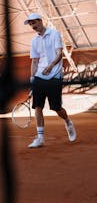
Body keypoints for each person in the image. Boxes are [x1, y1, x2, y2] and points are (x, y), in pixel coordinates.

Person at [24, 13, 76, 148]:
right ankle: (40, 138)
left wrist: (51, 66)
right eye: (30, 24)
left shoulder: (54, 34)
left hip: (55, 76)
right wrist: (32, 80)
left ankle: (68, 121)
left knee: (56, 108)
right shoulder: (34, 41)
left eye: (34, 22)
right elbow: (35, 62)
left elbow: (60, 53)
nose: (32, 26)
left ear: (40, 21)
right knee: (38, 107)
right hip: (40, 77)